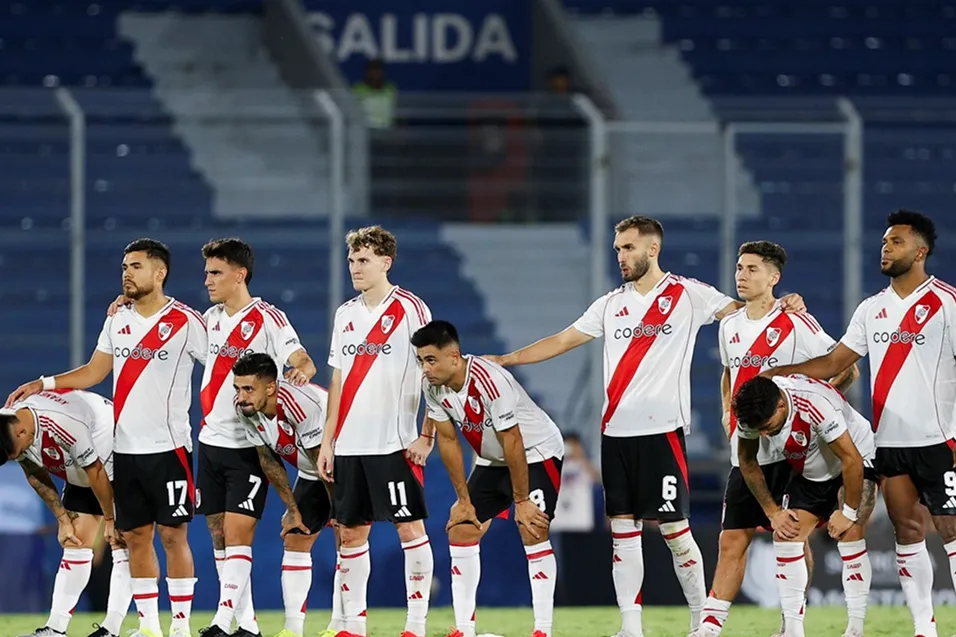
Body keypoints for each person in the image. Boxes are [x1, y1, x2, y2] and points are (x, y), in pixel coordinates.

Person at [487, 216, 805, 636]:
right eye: (618, 248)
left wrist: (786, 302)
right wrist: (506, 360)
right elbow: (563, 340)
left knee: (674, 531)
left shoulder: (688, 294)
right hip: (615, 435)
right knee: (623, 533)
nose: (621, 255)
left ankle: (701, 622)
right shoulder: (609, 304)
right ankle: (630, 627)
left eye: (628, 248)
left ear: (652, 249)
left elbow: (745, 313)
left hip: (662, 433)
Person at [762, 210, 956, 637]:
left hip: (942, 438)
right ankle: (926, 629)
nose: (886, 248)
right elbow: (835, 362)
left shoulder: (946, 302)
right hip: (890, 441)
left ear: (921, 251)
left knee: (950, 528)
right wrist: (778, 374)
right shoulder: (872, 309)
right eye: (885, 242)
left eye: (897, 242)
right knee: (908, 530)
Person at [7, 238, 207, 637]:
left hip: (170, 448)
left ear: (159, 272)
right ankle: (149, 627)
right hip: (125, 448)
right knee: (134, 538)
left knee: (172, 535)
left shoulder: (187, 322)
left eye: (135, 266)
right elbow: (94, 372)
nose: (126, 273)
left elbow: (219, 366)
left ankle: (181, 628)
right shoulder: (118, 320)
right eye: (123, 267)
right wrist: (44, 382)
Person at [694, 241, 859, 637]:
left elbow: (846, 369)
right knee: (733, 537)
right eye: (739, 267)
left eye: (752, 269)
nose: (741, 275)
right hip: (749, 448)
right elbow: (729, 373)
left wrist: (815, 408)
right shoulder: (729, 325)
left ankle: (792, 624)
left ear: (774, 277)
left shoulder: (797, 322)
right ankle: (710, 627)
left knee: (793, 534)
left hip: (795, 450)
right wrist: (724, 410)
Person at [316, 225, 435, 637]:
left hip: (395, 443)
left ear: (386, 262)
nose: (355, 267)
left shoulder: (411, 309)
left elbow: (432, 372)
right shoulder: (345, 314)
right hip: (349, 444)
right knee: (349, 533)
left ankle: (415, 626)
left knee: (409, 529)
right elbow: (338, 382)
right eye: (351, 260)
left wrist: (428, 434)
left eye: (363, 260)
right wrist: (328, 442)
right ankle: (354, 625)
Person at [196, 238, 316, 637]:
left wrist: (302, 369)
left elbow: (298, 356)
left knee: (237, 533)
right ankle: (246, 624)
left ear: (239, 274)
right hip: (210, 440)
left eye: (216, 272)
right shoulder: (209, 319)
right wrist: (126, 306)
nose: (208, 280)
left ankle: (221, 619)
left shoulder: (268, 318)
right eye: (208, 272)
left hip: (250, 443)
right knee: (217, 534)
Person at [412, 320, 563, 637]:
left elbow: (514, 441)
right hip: (491, 459)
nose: (424, 368)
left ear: (454, 356)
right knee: (461, 528)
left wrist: (520, 501)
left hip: (536, 451)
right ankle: (464, 629)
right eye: (420, 360)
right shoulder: (432, 386)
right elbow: (449, 443)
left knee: (532, 528)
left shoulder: (491, 381)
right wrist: (464, 501)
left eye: (430, 360)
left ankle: (542, 630)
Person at [732, 375, 878, 637]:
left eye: (767, 426)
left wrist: (848, 513)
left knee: (850, 534)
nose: (764, 434)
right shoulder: (751, 414)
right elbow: (747, 460)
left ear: (781, 406)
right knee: (786, 534)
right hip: (813, 470)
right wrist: (772, 512)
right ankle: (793, 630)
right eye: (759, 430)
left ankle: (855, 629)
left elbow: (851, 459)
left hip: (856, 458)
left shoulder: (814, 405)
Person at [206, 353, 335, 637]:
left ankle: (344, 624)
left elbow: (320, 461)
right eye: (237, 388)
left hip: (342, 465)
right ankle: (292, 630)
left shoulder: (300, 405)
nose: (241, 397)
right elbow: (267, 459)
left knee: (347, 536)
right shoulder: (244, 408)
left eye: (248, 389)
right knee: (295, 536)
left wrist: (337, 510)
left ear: (271, 387)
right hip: (312, 472)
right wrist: (293, 509)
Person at [1, 389, 131, 637]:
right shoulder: (8, 425)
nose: (15, 457)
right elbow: (34, 473)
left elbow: (96, 471)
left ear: (22, 433)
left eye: (14, 453)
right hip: (80, 466)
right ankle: (55, 629)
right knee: (76, 541)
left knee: (121, 542)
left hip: (115, 458)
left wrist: (111, 519)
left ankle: (111, 629)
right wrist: (62, 519)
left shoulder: (65, 424)